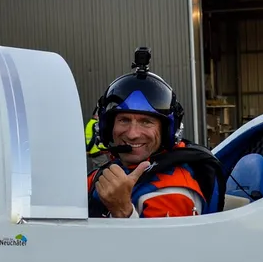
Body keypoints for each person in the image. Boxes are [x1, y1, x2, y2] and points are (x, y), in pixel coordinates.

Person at [87, 47, 226, 218]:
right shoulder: (114, 170)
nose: (132, 134)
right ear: (107, 127)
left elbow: (160, 238)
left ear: (167, 131)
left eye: (146, 122)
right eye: (124, 120)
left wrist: (123, 211)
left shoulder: (171, 194)